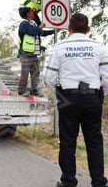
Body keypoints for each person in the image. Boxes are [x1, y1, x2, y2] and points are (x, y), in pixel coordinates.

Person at [44, 13, 108, 187]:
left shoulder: (60, 46)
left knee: (67, 141)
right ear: (88, 29)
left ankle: (69, 182)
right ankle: (98, 182)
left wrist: (60, 89)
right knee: (94, 141)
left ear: (69, 29)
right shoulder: (99, 47)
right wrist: (100, 94)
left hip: (69, 98)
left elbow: (49, 76)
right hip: (92, 98)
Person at [18, 7, 55, 96]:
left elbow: (41, 33)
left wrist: (54, 31)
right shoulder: (24, 24)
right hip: (25, 53)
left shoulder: (33, 23)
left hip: (33, 53)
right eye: (31, 12)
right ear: (28, 14)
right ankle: (22, 91)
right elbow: (32, 32)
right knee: (25, 72)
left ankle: (34, 90)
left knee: (35, 72)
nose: (33, 14)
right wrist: (41, 27)